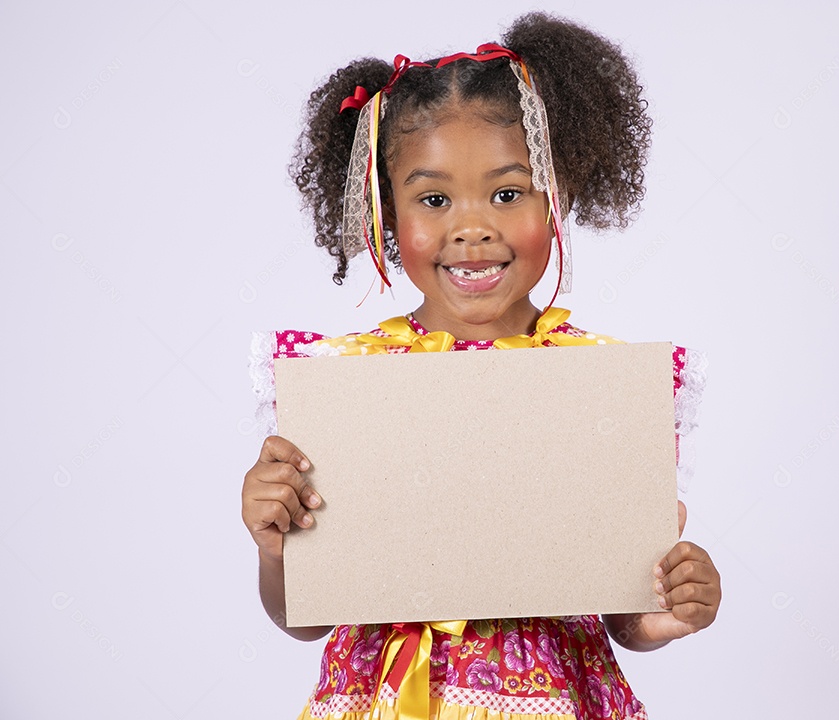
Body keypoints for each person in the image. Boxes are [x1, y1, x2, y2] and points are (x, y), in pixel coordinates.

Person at [241, 12, 720, 720]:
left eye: (507, 193)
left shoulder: (599, 386)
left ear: (559, 196)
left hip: (552, 699)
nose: (472, 226)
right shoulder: (347, 383)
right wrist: (276, 548)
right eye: (434, 200)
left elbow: (626, 615)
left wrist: (673, 610)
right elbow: (307, 618)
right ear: (385, 214)